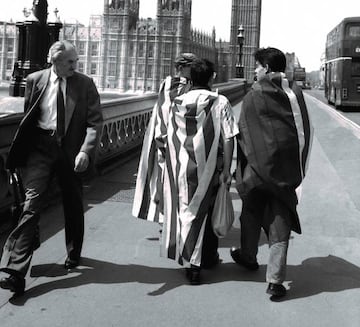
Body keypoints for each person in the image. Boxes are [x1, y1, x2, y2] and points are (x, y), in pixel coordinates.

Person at [0, 40, 103, 295]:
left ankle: (73, 253)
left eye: (76, 61)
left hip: (71, 150)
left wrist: (85, 151)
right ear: (54, 61)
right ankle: (14, 270)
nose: (75, 65)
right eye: (70, 61)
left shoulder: (85, 84)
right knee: (31, 204)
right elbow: (29, 118)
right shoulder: (35, 79)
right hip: (41, 150)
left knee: (73, 203)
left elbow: (95, 122)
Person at [230, 47, 313, 298]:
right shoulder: (295, 92)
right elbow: (303, 131)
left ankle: (248, 256)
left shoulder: (255, 93)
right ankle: (275, 280)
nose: (254, 71)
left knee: (251, 210)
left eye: (257, 66)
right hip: (284, 169)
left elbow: (244, 129)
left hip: (256, 167)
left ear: (266, 68)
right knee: (280, 217)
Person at [159, 58, 238, 285]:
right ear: (212, 77)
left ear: (190, 78)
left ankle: (191, 262)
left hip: (182, 166)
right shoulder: (220, 101)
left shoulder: (178, 101)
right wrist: (227, 168)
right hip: (210, 166)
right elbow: (229, 135)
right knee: (205, 211)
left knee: (186, 211)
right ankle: (201, 261)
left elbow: (168, 135)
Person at [132, 53, 197, 223]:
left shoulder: (189, 84)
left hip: (178, 138)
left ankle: (171, 218)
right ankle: (167, 219)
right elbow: (165, 113)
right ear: (182, 68)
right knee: (166, 177)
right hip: (168, 139)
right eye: (193, 66)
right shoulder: (173, 84)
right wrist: (164, 140)